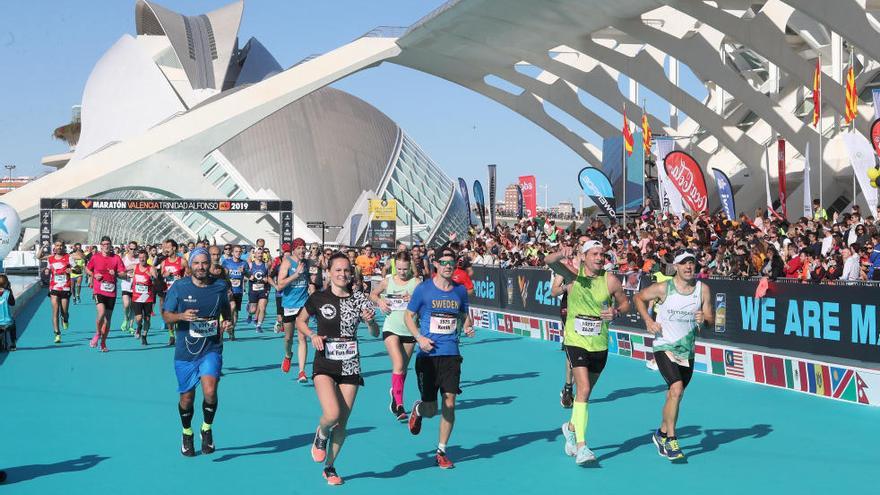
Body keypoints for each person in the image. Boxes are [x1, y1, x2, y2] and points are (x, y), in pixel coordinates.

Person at [296, 252, 379, 485]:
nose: (343, 274)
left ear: (351, 273)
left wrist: (371, 321)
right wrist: (312, 335)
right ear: (329, 273)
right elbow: (300, 322)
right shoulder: (318, 298)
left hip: (351, 364)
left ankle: (330, 467)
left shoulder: (359, 298)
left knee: (342, 422)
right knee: (331, 415)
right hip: (325, 362)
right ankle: (321, 433)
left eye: (346, 270)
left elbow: (375, 333)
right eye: (338, 270)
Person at [544, 240, 630, 465]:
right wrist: (559, 253)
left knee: (586, 393)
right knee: (582, 388)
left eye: (602, 254)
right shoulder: (572, 275)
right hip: (576, 340)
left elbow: (625, 304)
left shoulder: (610, 280)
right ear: (583, 256)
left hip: (599, 343)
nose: (599, 258)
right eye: (594, 254)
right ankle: (582, 447)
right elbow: (548, 261)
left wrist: (616, 312)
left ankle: (571, 428)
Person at [634, 251, 713, 461]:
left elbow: (712, 322)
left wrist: (704, 318)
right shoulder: (663, 287)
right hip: (663, 346)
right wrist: (648, 321)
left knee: (674, 394)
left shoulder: (702, 290)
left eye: (692, 263)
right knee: (676, 389)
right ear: (675, 267)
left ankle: (660, 434)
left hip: (686, 350)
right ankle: (671, 440)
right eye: (684, 263)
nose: (689, 267)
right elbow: (638, 298)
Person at [404, 244, 475, 469]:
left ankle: (441, 451)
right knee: (431, 409)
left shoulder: (460, 290)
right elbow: (408, 316)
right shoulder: (424, 289)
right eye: (443, 262)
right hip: (427, 354)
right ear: (435, 264)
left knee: (450, 403)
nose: (447, 266)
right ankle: (418, 409)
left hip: (451, 353)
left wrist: (469, 326)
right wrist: (419, 338)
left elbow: (464, 315)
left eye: (450, 263)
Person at [163, 248, 233, 457]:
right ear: (190, 266)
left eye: (204, 263)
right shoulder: (179, 287)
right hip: (185, 350)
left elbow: (225, 310)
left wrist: (227, 322)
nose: (201, 267)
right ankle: (187, 433)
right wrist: (181, 316)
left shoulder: (220, 285)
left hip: (211, 347)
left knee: (210, 390)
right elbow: (166, 316)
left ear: (209, 264)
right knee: (187, 398)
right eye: (197, 263)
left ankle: (207, 428)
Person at [370, 251, 421, 421]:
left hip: (410, 329)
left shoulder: (417, 283)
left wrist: (413, 298)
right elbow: (373, 294)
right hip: (391, 327)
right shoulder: (388, 281)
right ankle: (400, 405)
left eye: (405, 269)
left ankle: (395, 392)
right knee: (398, 364)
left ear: (410, 267)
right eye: (399, 268)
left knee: (402, 368)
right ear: (394, 266)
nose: (402, 272)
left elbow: (426, 302)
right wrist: (380, 302)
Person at [277, 238, 313, 380]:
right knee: (288, 338)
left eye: (304, 248)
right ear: (293, 250)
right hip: (289, 305)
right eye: (299, 248)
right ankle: (288, 355)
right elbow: (279, 285)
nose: (302, 250)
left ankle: (302, 372)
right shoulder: (287, 263)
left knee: (302, 337)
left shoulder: (307, 263)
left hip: (304, 304)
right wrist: (296, 275)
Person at [85, 236, 128, 352]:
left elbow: (124, 274)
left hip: (111, 291)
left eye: (108, 244)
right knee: (101, 312)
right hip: (99, 290)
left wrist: (116, 274)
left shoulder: (116, 258)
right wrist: (94, 275)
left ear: (111, 245)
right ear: (101, 245)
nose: (106, 246)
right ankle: (98, 333)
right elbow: (87, 269)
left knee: (108, 320)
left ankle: (103, 342)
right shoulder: (95, 257)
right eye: (103, 244)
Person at [158, 240, 187, 345]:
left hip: (180, 292)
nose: (166, 250)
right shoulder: (164, 262)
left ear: (174, 248)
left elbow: (189, 275)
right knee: (169, 314)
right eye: (165, 248)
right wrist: (164, 275)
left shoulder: (182, 261)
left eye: (168, 248)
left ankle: (180, 334)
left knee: (179, 315)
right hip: (168, 291)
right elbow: (161, 276)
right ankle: (171, 335)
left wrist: (182, 279)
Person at [44, 240, 72, 343]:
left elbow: (78, 269)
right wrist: (47, 270)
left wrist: (71, 270)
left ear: (64, 247)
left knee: (64, 311)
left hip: (65, 287)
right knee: (55, 310)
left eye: (61, 246)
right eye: (57, 245)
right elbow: (48, 268)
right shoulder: (50, 259)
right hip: (54, 288)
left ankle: (65, 319)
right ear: (54, 247)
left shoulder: (68, 257)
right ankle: (57, 333)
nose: (59, 247)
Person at [131, 249, 158, 345]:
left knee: (147, 319)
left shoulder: (151, 268)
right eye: (140, 258)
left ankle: (144, 336)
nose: (142, 259)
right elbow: (127, 273)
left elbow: (155, 282)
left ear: (147, 258)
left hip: (148, 297)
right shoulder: (135, 267)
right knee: (138, 318)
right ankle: (138, 327)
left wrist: (151, 277)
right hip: (137, 297)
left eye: (144, 257)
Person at [221, 245, 248, 337]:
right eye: (236, 251)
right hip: (228, 290)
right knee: (232, 307)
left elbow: (250, 276)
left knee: (235, 312)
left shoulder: (244, 263)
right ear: (232, 252)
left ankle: (232, 329)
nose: (238, 253)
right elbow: (222, 275)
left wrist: (244, 272)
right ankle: (227, 322)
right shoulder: (226, 262)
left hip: (238, 291)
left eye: (240, 251)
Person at [246, 248, 270, 332]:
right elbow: (246, 273)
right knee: (253, 310)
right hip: (253, 290)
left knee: (262, 308)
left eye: (261, 253)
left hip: (263, 289)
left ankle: (259, 326)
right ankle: (249, 313)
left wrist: (267, 279)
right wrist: (249, 277)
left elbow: (269, 275)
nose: (260, 255)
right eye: (258, 253)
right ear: (255, 255)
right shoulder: (251, 264)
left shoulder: (266, 265)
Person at [119, 241, 139, 335]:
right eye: (131, 249)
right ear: (128, 248)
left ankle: (131, 326)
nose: (133, 251)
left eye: (135, 249)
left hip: (136, 286)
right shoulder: (124, 258)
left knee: (133, 307)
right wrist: (128, 271)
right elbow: (120, 271)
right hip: (126, 284)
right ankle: (125, 318)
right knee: (127, 304)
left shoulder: (139, 259)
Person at [0, 275, 18, 351]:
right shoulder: (8, 293)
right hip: (8, 323)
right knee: (13, 324)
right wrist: (10, 290)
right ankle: (13, 343)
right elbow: (12, 303)